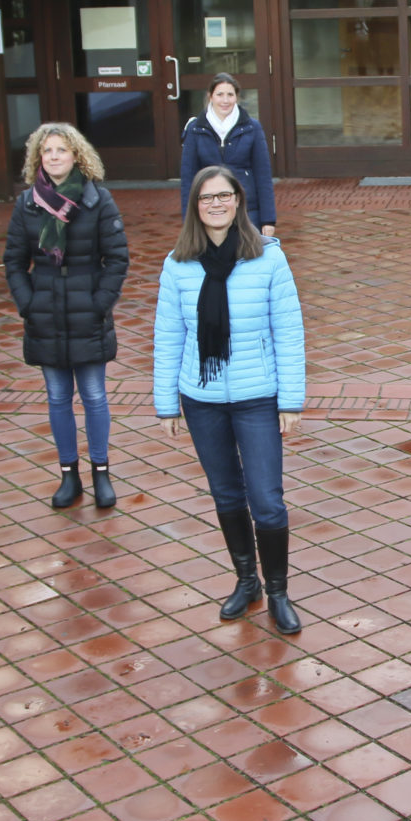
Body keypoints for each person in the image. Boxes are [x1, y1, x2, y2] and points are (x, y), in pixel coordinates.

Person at [154, 167, 308, 633]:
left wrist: (291, 400)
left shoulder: (267, 259)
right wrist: (166, 403)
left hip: (257, 396)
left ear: (238, 202)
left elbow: (289, 332)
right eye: (206, 198)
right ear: (195, 207)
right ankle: (247, 581)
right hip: (200, 398)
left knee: (267, 500)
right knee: (225, 494)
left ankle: (278, 591)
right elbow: (168, 336)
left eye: (224, 196)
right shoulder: (177, 264)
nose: (216, 204)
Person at [4, 122, 131, 509]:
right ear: (38, 159)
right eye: (47, 151)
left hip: (87, 315)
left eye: (61, 150)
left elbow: (117, 259)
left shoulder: (98, 200)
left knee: (93, 396)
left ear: (76, 155)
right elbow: (13, 261)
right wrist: (28, 303)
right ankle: (68, 475)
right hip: (45, 316)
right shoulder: (27, 203)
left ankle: (101, 472)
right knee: (58, 398)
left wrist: (98, 304)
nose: (54, 157)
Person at [179, 74, 278, 237]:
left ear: (236, 97)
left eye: (230, 95)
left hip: (247, 208)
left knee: (248, 257)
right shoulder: (195, 128)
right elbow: (188, 178)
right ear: (211, 96)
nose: (225, 100)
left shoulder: (252, 127)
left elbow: (263, 175)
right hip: (210, 208)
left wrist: (268, 220)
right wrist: (187, 221)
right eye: (220, 94)